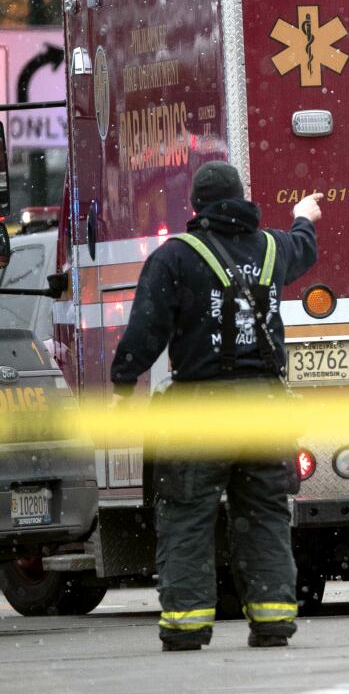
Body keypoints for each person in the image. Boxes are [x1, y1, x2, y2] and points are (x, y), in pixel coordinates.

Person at [110, 161, 322, 651]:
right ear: (242, 197)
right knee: (265, 515)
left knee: (187, 514)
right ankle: (272, 620)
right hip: (266, 407)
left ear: (196, 206)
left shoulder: (176, 258)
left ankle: (186, 625)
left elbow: (146, 330)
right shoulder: (273, 247)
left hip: (200, 409)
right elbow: (303, 247)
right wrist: (303, 216)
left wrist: (123, 385)